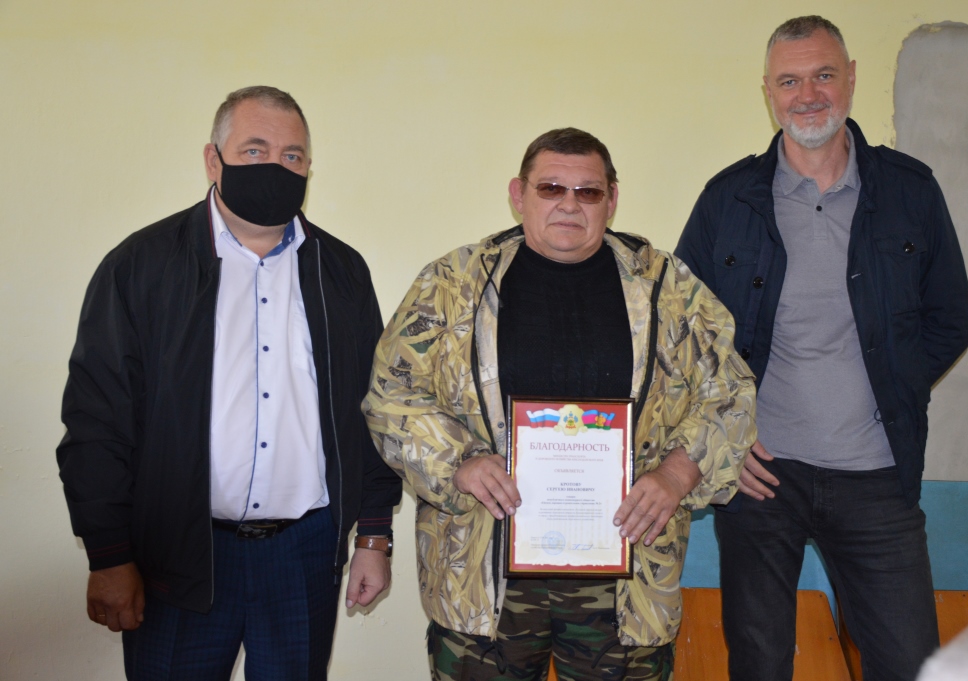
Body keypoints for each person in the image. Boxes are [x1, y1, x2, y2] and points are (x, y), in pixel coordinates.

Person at [363, 127, 756, 680]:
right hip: (482, 572)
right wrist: (459, 462)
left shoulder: (668, 288)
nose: (569, 204)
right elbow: (392, 391)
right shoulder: (453, 284)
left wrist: (675, 473)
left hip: (627, 577)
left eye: (588, 192)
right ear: (518, 194)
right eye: (550, 188)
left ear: (611, 200)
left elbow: (730, 391)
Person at [57, 86, 402, 680]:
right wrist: (108, 554)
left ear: (309, 168)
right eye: (255, 150)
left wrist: (374, 535)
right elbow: (97, 418)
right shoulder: (141, 266)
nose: (276, 167)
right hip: (178, 556)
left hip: (304, 554)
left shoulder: (341, 271)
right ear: (213, 161)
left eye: (293, 156)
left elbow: (373, 408)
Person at [675, 16, 968, 681]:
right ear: (768, 92)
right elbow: (682, 336)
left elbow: (950, 320)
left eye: (824, 75)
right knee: (760, 664)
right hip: (761, 478)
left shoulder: (911, 191)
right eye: (790, 81)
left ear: (851, 79)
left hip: (877, 474)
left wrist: (895, 386)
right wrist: (725, 439)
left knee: (909, 662)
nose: (808, 95)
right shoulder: (728, 200)